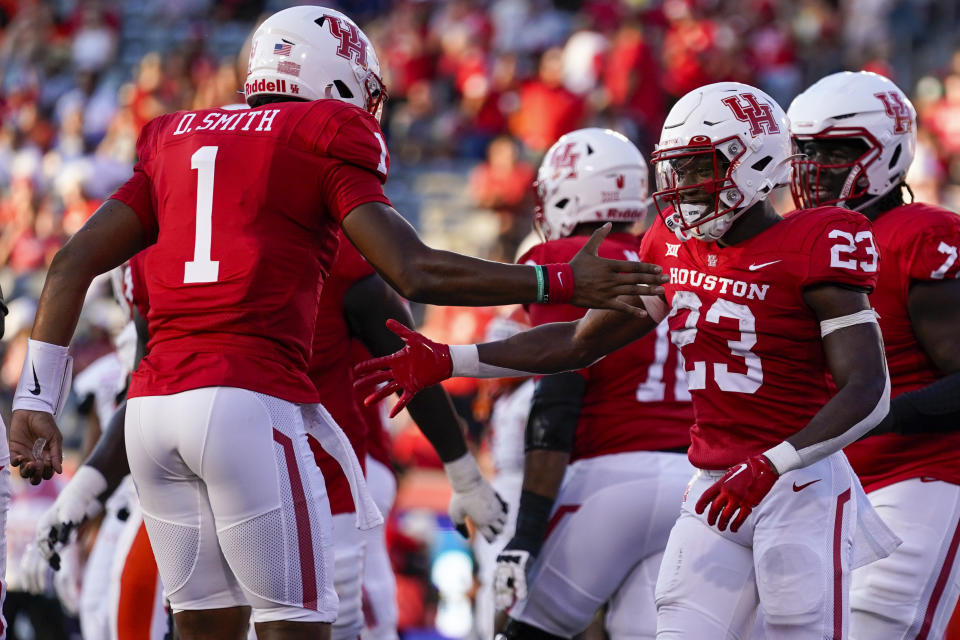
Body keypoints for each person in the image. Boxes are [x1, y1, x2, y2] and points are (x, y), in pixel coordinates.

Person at [7, 6, 663, 640]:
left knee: (204, 630)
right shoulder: (321, 134)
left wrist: (36, 400)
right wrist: (557, 279)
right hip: (248, 403)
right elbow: (415, 271)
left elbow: (68, 264)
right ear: (335, 80)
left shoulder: (172, 134)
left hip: (152, 415)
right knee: (299, 628)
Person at [356, 81, 902, 638]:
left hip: (798, 484)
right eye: (678, 169)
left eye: (698, 168)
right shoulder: (671, 243)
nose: (683, 187)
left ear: (756, 162)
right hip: (711, 479)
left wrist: (773, 464)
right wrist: (455, 359)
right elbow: (580, 342)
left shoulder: (818, 241)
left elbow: (868, 390)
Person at [492, 128, 694, 640]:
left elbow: (558, 396)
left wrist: (528, 530)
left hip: (610, 477)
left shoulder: (567, 259)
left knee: (524, 626)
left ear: (567, 192)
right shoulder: (673, 254)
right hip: (694, 482)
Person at [788, 70, 960, 639]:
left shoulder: (921, 234)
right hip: (826, 489)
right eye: (805, 151)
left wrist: (877, 416)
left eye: (836, 151)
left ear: (887, 150)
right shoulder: (794, 240)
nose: (816, 167)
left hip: (922, 478)